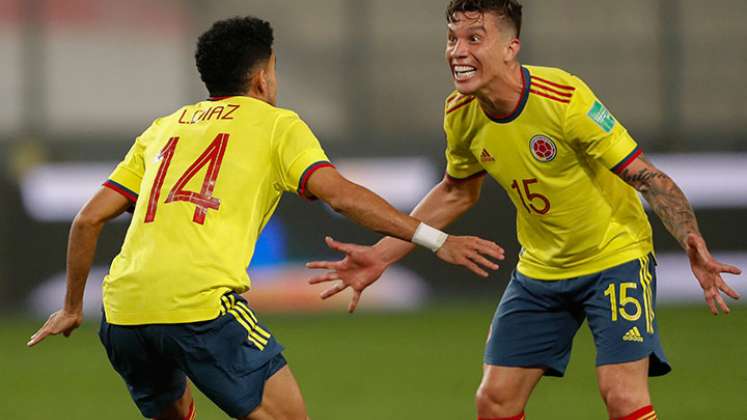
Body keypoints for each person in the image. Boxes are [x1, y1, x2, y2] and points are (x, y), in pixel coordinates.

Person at [25, 16, 504, 420]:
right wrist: (434, 238)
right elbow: (340, 197)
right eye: (274, 69)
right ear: (262, 78)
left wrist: (71, 307)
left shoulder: (163, 128)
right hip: (199, 307)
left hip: (123, 313)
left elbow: (88, 220)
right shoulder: (277, 125)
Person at [306, 1, 743, 420]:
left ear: (511, 48)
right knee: (494, 399)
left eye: (474, 38)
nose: (458, 51)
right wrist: (380, 255)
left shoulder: (563, 98)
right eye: (452, 38)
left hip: (614, 258)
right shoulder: (460, 112)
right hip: (540, 272)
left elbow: (646, 176)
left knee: (622, 394)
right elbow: (457, 192)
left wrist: (690, 237)